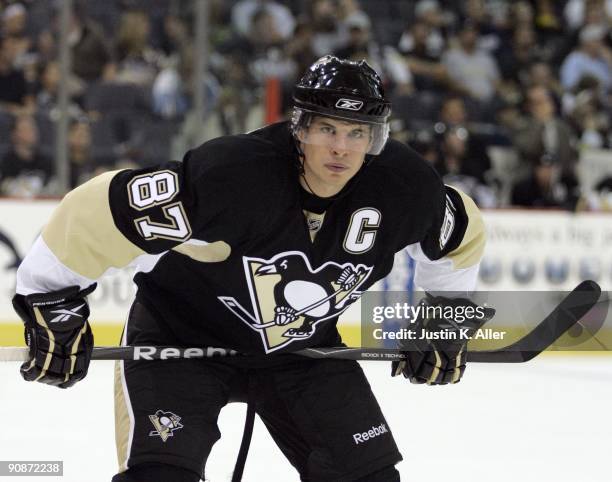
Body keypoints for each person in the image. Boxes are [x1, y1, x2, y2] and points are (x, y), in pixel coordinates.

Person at [13, 56, 487, 482]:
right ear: (300, 127)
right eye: (327, 129)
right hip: (180, 339)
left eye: (356, 132)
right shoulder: (233, 174)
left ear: (374, 137)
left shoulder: (403, 187)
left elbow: (461, 235)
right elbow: (101, 209)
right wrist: (50, 302)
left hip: (300, 351)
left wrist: (444, 320)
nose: (341, 147)